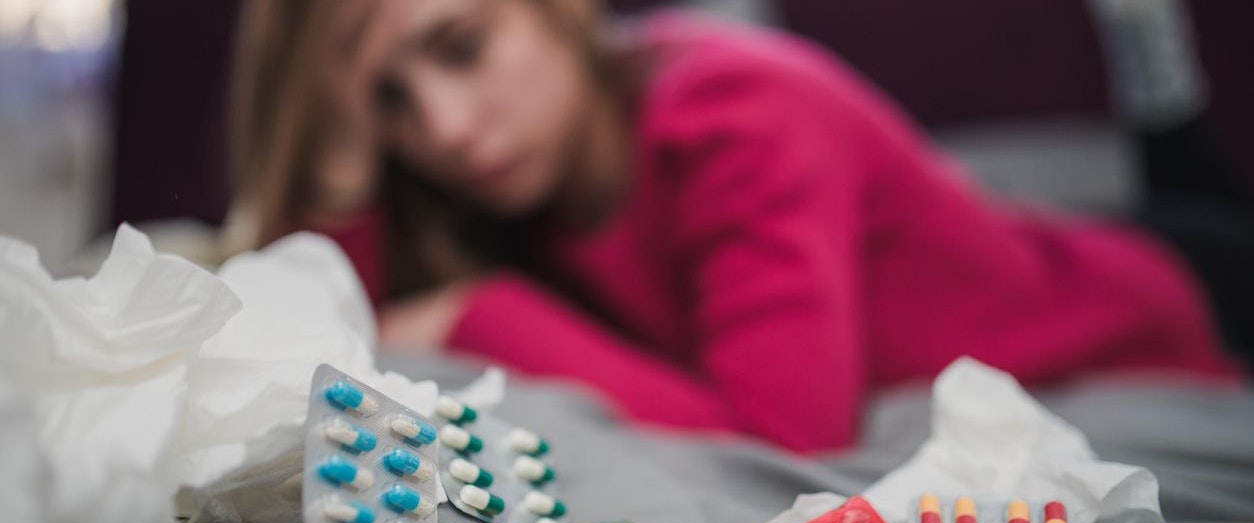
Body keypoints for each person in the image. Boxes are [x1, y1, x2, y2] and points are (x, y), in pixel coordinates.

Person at [229, 0, 1247, 452]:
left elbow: (787, 436)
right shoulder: (497, 186)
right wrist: (336, 152)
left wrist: (481, 312)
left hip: (1153, 298)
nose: (443, 129)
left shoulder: (738, 111)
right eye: (390, 106)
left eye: (460, 45)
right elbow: (316, 312)